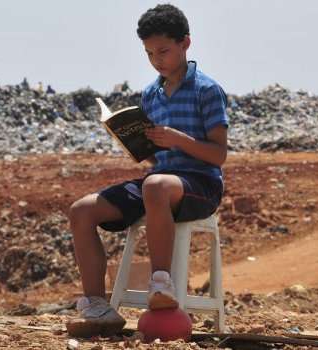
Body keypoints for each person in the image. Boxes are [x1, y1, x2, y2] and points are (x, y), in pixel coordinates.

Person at [66, 4, 229, 337]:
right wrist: (138, 145)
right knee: (81, 210)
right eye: (149, 53)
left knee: (154, 187)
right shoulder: (150, 95)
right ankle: (98, 306)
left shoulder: (207, 91)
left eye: (164, 51)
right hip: (160, 182)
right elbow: (158, 162)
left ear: (186, 43)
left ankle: (161, 285)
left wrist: (177, 139)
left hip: (199, 185)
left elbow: (218, 155)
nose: (157, 59)